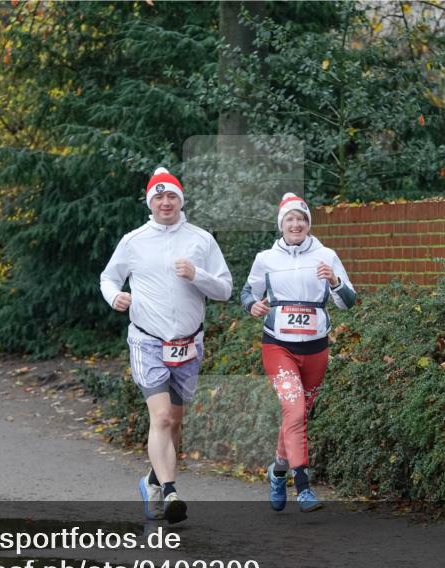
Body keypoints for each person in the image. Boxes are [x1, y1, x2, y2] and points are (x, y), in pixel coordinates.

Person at [100, 167, 232, 523]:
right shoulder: (134, 241)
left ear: (180, 200)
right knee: (160, 417)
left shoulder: (201, 240)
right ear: (150, 203)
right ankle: (171, 491)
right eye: (159, 197)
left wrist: (197, 274)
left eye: (172, 196)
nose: (166, 202)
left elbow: (225, 289)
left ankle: (151, 483)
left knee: (174, 422)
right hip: (147, 341)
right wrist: (114, 296)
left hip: (188, 344)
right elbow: (109, 277)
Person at [240, 193, 356, 512]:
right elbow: (248, 292)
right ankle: (303, 487)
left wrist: (335, 281)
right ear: (281, 224)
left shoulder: (326, 255)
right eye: (290, 219)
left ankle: (278, 471)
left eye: (301, 219)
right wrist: (252, 306)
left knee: (300, 413)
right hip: (277, 345)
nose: (296, 224)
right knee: (293, 410)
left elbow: (348, 301)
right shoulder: (266, 258)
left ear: (308, 224)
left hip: (316, 348)